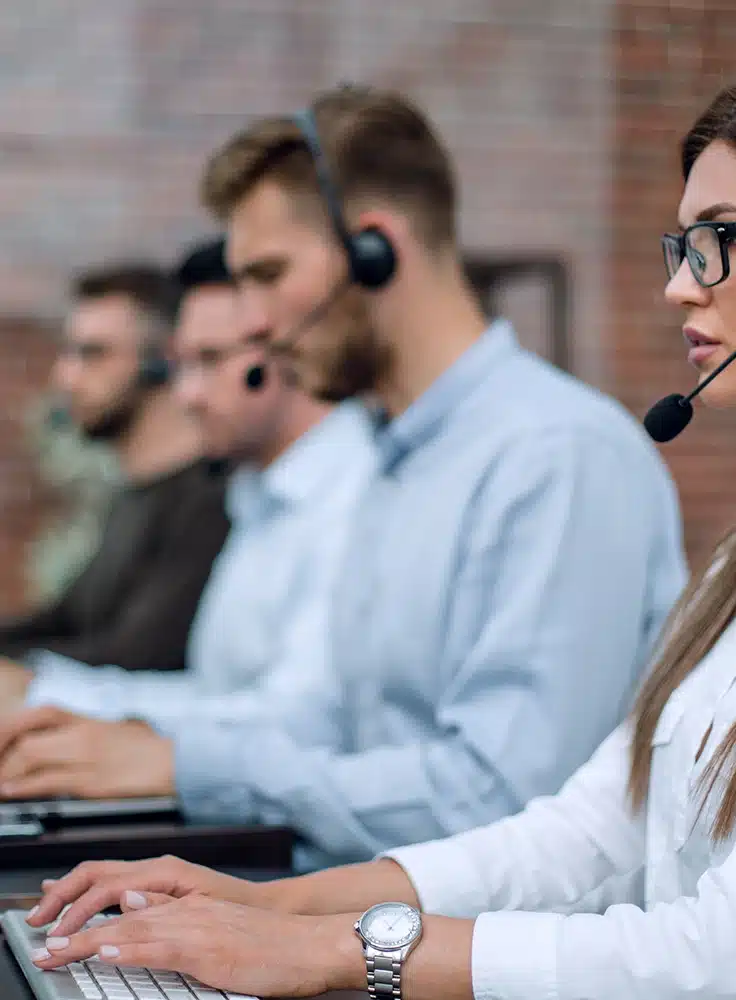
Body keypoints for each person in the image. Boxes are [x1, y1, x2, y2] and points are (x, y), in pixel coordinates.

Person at [24, 64, 736, 1000]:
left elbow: (729, 948)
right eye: (681, 245)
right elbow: (586, 832)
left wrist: (329, 948)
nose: (679, 287)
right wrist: (268, 908)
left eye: (721, 239)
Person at [0, 84, 687, 872]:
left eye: (267, 273)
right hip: (356, 910)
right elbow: (320, 721)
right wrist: (92, 727)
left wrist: (185, 768)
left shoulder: (556, 457)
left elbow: (500, 799)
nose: (253, 322)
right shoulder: (394, 460)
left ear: (375, 249)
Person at [0, 236, 375, 796]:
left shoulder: (353, 493)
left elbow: (304, 725)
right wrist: (48, 692)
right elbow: (212, 694)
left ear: (291, 350)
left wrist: (50, 698)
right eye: (180, 365)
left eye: (208, 362)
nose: (187, 394)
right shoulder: (255, 497)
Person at [0, 263, 229, 680]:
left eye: (93, 354)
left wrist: (18, 671)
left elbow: (137, 655)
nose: (65, 378)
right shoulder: (132, 494)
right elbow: (65, 619)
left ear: (163, 363)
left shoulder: (212, 501)